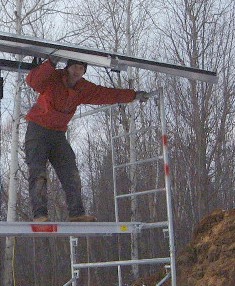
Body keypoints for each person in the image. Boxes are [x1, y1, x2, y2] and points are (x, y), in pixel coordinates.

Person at [24, 58, 148, 222]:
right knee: (38, 173)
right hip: (38, 130)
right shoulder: (53, 78)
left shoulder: (83, 88)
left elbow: (106, 94)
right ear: (67, 68)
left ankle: (77, 213)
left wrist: (133, 95)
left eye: (81, 69)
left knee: (71, 173)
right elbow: (33, 81)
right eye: (74, 67)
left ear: (84, 72)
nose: (77, 71)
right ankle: (40, 214)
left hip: (57, 134)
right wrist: (51, 63)